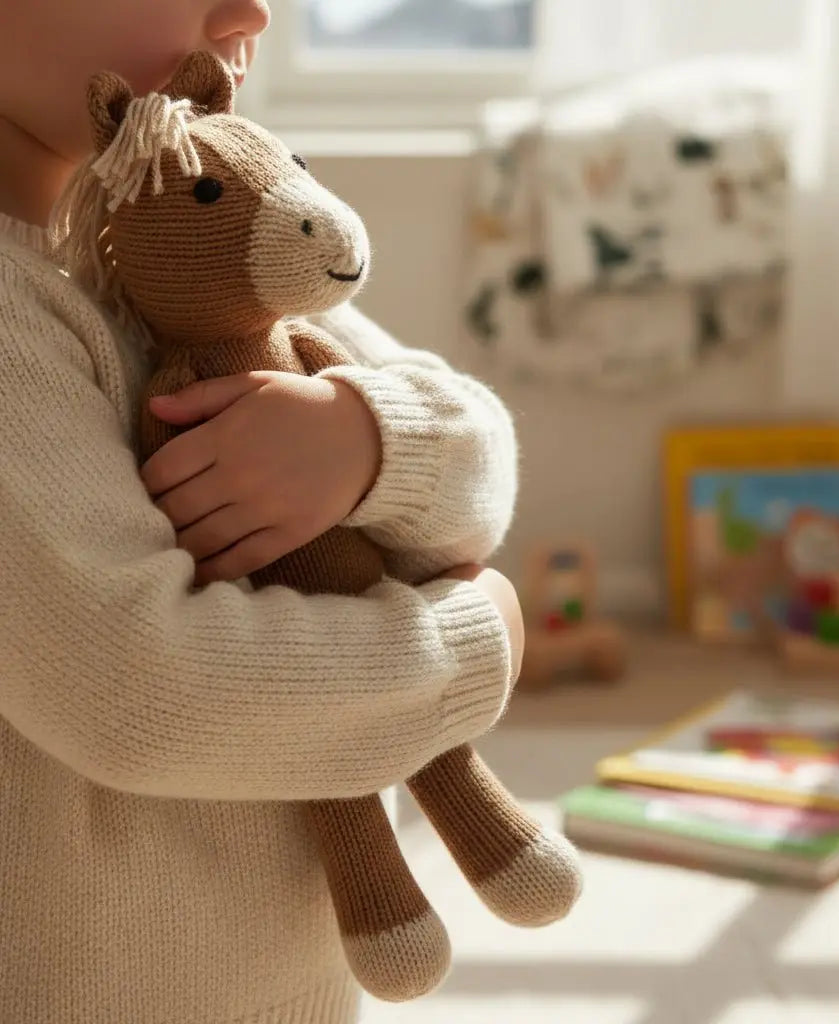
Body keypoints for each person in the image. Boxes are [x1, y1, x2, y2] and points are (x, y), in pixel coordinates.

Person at [0, 2, 525, 1022]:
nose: (253, 11)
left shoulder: (165, 239)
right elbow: (143, 688)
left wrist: (370, 437)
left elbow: (478, 478)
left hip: (267, 975)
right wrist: (471, 648)